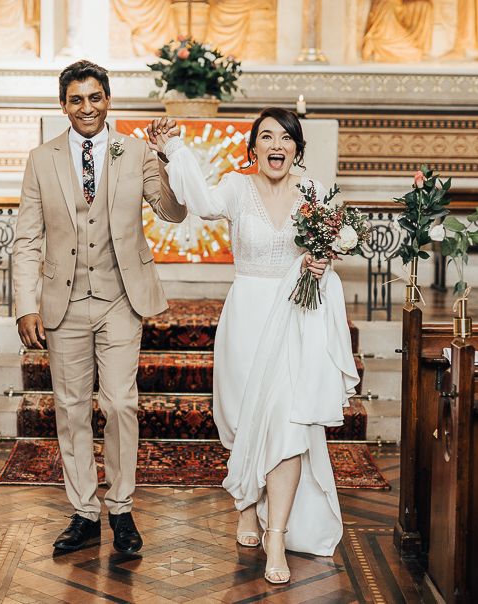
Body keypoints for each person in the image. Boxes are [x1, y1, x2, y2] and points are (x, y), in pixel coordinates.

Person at [147, 108, 360, 584]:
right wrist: (176, 150)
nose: (276, 145)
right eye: (267, 137)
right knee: (244, 421)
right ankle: (246, 502)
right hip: (246, 317)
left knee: (288, 424)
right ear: (254, 149)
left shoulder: (315, 195)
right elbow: (198, 201)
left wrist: (323, 261)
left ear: (297, 150)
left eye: (286, 137)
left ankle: (277, 534)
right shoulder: (236, 187)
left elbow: (332, 246)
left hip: (296, 320)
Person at [12, 60, 187, 555]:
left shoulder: (135, 151)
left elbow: (173, 211)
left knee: (119, 403)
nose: (86, 108)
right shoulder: (40, 159)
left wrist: (167, 158)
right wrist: (26, 305)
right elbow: (27, 240)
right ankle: (85, 511)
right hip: (63, 301)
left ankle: (123, 508)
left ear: (108, 99)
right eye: (76, 100)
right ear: (62, 104)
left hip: (119, 299)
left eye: (95, 98)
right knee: (69, 410)